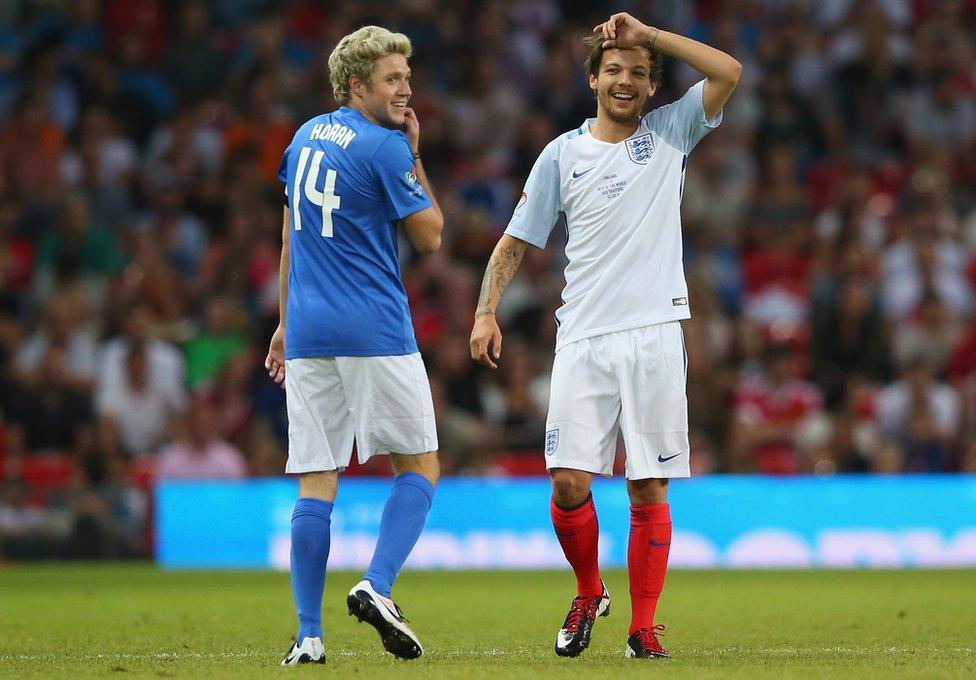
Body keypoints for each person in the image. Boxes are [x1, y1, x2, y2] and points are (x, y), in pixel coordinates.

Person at [469, 12, 740, 660]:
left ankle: (642, 627)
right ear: (593, 78)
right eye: (614, 69)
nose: (626, 80)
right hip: (583, 337)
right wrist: (485, 311)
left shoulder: (672, 132)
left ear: (650, 87)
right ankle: (589, 589)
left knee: (648, 485)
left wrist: (650, 35)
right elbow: (513, 242)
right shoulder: (562, 154)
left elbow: (728, 71)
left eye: (638, 73)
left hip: (653, 335)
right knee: (567, 480)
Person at [265, 25, 443, 665]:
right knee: (419, 465)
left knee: (317, 480)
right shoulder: (383, 146)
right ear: (356, 85)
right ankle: (379, 586)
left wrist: (285, 324)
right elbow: (430, 236)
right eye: (392, 79)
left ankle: (309, 636)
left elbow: (290, 242)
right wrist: (414, 153)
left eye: (407, 77)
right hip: (373, 328)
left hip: (309, 333)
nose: (405, 89)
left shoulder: (303, 136)